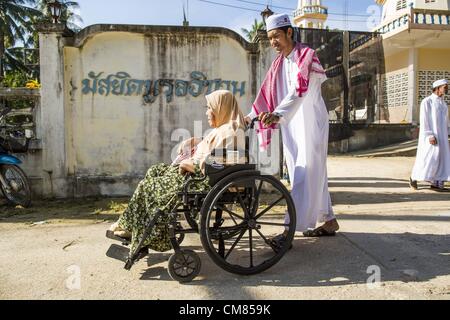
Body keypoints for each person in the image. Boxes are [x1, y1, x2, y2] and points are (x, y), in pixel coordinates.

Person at [109, 90, 246, 253]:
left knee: (148, 186)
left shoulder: (231, 132)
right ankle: (131, 224)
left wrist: (190, 165)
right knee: (155, 170)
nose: (206, 112)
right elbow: (211, 148)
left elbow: (220, 163)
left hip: (203, 180)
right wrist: (196, 141)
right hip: (197, 173)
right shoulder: (223, 129)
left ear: (221, 108)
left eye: (209, 107)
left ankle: (135, 228)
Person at [245, 13, 338, 244]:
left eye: (276, 35)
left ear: (289, 32)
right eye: (269, 38)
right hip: (290, 124)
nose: (273, 41)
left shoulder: (307, 55)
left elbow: (299, 89)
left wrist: (277, 114)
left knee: (304, 173)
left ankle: (288, 230)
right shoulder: (278, 64)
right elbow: (265, 95)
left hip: (310, 123)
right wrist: (250, 117)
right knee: (312, 173)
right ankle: (329, 220)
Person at [410, 79, 450, 191]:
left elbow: (446, 121)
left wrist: (448, 132)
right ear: (437, 88)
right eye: (444, 87)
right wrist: (429, 135)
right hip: (431, 137)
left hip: (442, 137)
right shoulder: (427, 101)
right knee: (428, 158)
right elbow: (424, 120)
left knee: (441, 159)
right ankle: (414, 177)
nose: (446, 89)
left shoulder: (443, 103)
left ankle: (436, 184)